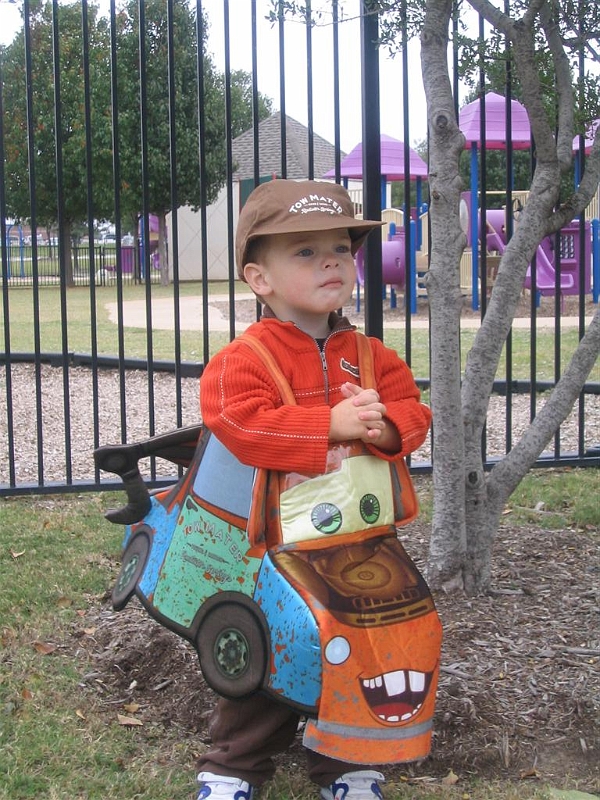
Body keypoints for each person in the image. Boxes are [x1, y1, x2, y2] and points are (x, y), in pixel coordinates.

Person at [196, 179, 433, 800]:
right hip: (274, 541)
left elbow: (413, 409)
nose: (331, 261)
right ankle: (233, 766)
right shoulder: (244, 359)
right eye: (305, 251)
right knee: (273, 642)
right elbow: (239, 422)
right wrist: (328, 425)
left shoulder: (370, 355)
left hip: (358, 536)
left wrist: (385, 426)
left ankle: (345, 763)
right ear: (259, 278)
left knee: (362, 641)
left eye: (340, 249)